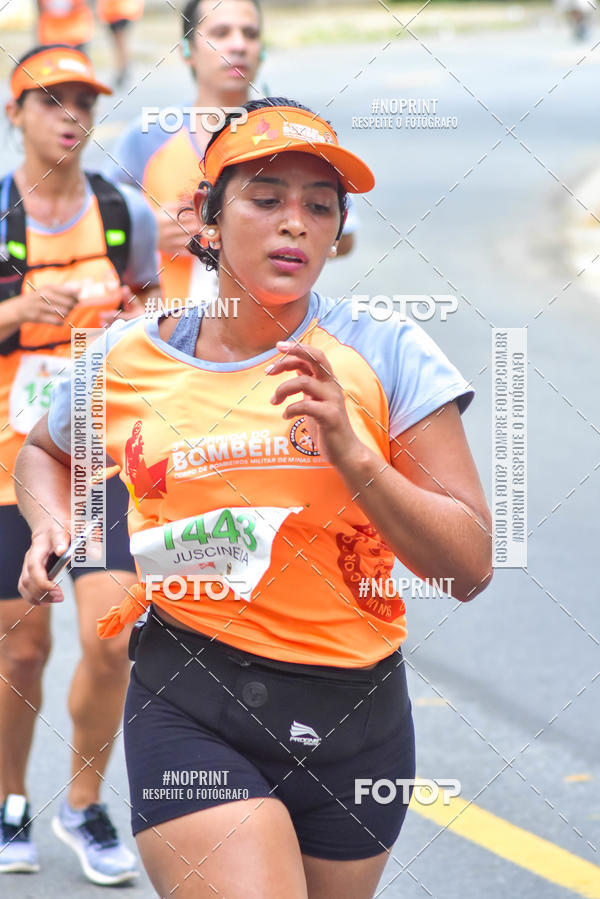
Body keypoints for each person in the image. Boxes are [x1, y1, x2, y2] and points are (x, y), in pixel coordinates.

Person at [16, 98, 493, 898]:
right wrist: (52, 523)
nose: (294, 222)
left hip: (359, 718)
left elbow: (469, 565)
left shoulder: (386, 351)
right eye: (266, 198)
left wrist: (354, 454)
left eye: (320, 206)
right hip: (193, 696)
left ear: (338, 230)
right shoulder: (130, 357)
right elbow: (45, 451)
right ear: (209, 214)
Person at [0, 44, 160, 884]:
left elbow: (161, 309)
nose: (72, 116)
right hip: (8, 462)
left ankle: (84, 804)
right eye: (51, 100)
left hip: (97, 456)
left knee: (114, 632)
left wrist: (139, 321)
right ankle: (9, 802)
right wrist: (19, 307)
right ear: (14, 113)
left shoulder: (122, 212)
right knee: (22, 649)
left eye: (85, 102)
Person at [104, 0, 356, 308]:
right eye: (221, 33)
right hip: (168, 324)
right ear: (187, 50)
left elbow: (345, 235)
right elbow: (101, 226)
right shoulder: (147, 136)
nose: (238, 45)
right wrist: (146, 231)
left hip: (268, 326)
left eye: (250, 34)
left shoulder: (294, 132)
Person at [96, 0, 145, 88]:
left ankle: (123, 68)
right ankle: (122, 68)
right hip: (112, 14)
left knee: (121, 43)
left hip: (122, 13)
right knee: (118, 44)